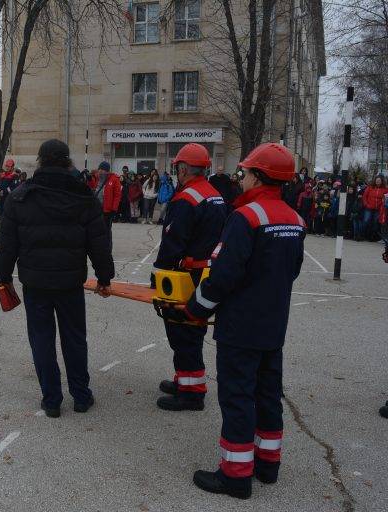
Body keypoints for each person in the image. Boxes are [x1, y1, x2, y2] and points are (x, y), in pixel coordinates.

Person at [168, 143, 305, 499]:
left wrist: (196, 309)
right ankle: (267, 464)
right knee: (267, 394)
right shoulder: (295, 219)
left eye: (244, 172)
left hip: (240, 327)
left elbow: (222, 277)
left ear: (258, 175)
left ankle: (236, 474)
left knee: (238, 396)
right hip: (274, 325)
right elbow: (293, 271)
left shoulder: (246, 217)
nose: (240, 178)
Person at [0, 139, 114, 418]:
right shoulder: (83, 195)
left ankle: (51, 400)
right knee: (74, 338)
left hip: (35, 283)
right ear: (67, 160)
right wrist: (104, 277)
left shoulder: (20, 196)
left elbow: (7, 244)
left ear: (40, 160)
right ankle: (81, 396)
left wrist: (4, 276)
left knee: (41, 340)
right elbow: (99, 242)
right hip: (70, 282)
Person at [152, 143, 228, 411]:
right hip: (206, 272)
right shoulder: (214, 195)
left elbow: (173, 242)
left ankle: (192, 392)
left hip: (188, 274)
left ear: (183, 169)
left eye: (177, 169)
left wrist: (159, 275)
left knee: (182, 331)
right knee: (191, 330)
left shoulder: (186, 199)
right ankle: (184, 380)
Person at [93, 161, 122, 245]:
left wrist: (114, 209)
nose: (101, 171)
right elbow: (91, 188)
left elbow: (117, 196)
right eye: (100, 169)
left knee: (106, 230)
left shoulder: (114, 179)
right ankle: (98, 245)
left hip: (107, 210)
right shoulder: (96, 178)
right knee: (96, 229)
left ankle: (107, 247)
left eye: (103, 169)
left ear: (107, 171)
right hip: (96, 208)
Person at [361, 175, 388, 241]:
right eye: (377, 180)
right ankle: (362, 235)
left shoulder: (385, 189)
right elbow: (364, 196)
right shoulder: (370, 187)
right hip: (369, 208)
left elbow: (385, 199)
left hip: (378, 209)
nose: (377, 182)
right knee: (366, 221)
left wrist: (382, 207)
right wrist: (366, 204)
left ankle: (372, 237)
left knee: (375, 223)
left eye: (379, 181)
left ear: (382, 181)